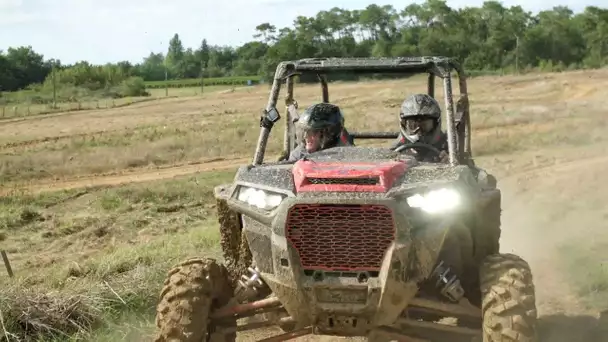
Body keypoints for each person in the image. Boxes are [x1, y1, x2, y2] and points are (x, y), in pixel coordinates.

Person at [391, 93, 449, 163]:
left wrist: (450, 163)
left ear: (436, 123)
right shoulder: (396, 149)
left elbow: (462, 167)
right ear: (404, 124)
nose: (419, 132)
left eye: (425, 125)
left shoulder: (447, 147)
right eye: (413, 125)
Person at [288, 103, 353, 162]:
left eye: (312, 132)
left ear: (329, 134)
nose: (305, 136)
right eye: (305, 131)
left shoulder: (346, 157)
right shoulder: (299, 154)